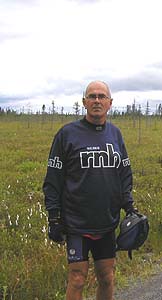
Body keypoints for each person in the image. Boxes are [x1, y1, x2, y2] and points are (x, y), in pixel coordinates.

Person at [43, 81, 135, 300]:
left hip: (106, 221)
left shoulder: (115, 134)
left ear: (110, 103)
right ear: (84, 102)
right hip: (76, 222)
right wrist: (54, 218)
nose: (96, 100)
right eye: (92, 96)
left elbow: (124, 174)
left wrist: (130, 206)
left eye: (101, 96)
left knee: (106, 276)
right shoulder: (67, 134)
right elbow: (53, 180)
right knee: (77, 278)